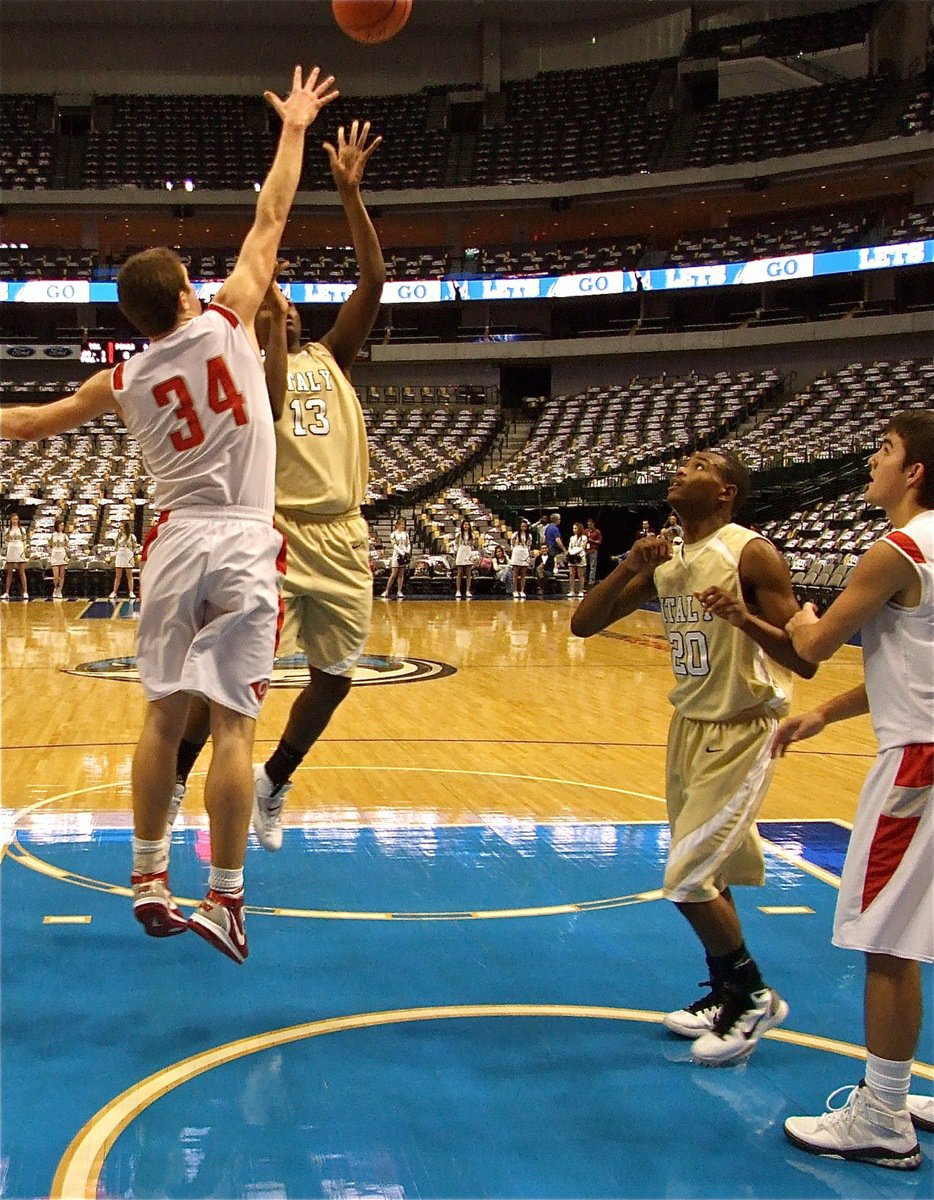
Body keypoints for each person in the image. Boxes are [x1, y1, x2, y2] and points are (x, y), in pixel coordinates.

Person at [0, 65, 339, 964]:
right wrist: (296, 126)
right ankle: (225, 897)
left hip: (175, 540)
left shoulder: (124, 377)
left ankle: (149, 875)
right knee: (233, 725)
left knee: (159, 714)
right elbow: (271, 214)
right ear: (188, 294)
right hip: (244, 538)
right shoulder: (231, 319)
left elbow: (28, 424)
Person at [171, 117, 384, 855]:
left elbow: (375, 281)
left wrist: (350, 195)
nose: (285, 304)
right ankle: (171, 782)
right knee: (227, 681)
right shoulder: (253, 376)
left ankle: (275, 779)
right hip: (278, 532)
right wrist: (264, 329)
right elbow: (272, 394)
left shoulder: (335, 354)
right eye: (275, 301)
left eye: (290, 302)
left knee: (335, 679)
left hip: (344, 531)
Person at [571, 449, 817, 1065]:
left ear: (727, 491)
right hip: (689, 726)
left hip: (743, 726)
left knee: (684, 878)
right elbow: (583, 622)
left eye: (699, 464)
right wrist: (629, 563)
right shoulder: (668, 560)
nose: (680, 468)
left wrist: (742, 618)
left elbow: (804, 658)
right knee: (710, 874)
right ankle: (726, 988)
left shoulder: (750, 552)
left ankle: (753, 993)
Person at [775, 411, 933, 1170]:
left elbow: (809, 647)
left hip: (916, 767)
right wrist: (827, 715)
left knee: (885, 938)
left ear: (916, 473)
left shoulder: (897, 549)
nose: (872, 460)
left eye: (886, 450)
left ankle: (882, 1114)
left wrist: (786, 610)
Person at [109, 520, 139, 601]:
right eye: (120, 526)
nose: (120, 528)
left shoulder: (132, 536)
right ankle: (114, 592)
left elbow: (135, 547)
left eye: (122, 526)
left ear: (126, 527)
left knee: (129, 575)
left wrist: (135, 555)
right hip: (120, 555)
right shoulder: (117, 536)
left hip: (128, 555)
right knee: (118, 576)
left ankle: (131, 592)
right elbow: (115, 547)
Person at [1, 513, 28, 600]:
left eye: (16, 519)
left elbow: (24, 541)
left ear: (18, 520)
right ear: (11, 520)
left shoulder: (22, 530)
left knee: (22, 573)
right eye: (13, 519)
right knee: (9, 573)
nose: (15, 521)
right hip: (11, 550)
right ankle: (7, 592)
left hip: (20, 550)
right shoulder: (7, 530)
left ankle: (25, 592)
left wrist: (24, 551)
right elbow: (5, 542)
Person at [383, 516, 411, 600]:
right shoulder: (393, 534)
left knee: (401, 574)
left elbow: (408, 543)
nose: (403, 526)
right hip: (396, 555)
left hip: (404, 555)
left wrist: (407, 551)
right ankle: (387, 590)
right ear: (397, 525)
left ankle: (399, 591)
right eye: (401, 525)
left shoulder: (406, 534)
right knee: (393, 574)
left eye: (404, 525)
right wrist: (401, 553)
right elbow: (394, 545)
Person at [452, 518, 479, 600]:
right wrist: (457, 551)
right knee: (459, 573)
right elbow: (455, 543)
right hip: (461, 551)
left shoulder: (472, 535)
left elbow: (474, 545)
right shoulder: (459, 534)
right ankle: (458, 590)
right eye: (465, 524)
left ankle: (468, 590)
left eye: (467, 524)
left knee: (468, 574)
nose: (466, 526)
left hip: (468, 551)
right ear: (462, 525)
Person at [510, 517, 532, 599]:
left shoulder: (529, 536)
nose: (523, 528)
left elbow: (529, 546)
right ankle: (515, 590)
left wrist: (528, 555)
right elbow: (511, 544)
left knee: (523, 574)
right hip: (517, 552)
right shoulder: (515, 534)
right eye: (522, 526)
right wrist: (514, 551)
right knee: (515, 574)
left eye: (525, 526)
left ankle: (522, 590)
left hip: (525, 552)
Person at [566, 521, 588, 599]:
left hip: (580, 557)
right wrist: (570, 552)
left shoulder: (584, 537)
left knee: (580, 575)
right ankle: (571, 590)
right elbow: (569, 546)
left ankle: (581, 591)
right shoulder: (572, 538)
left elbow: (582, 547)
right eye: (573, 528)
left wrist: (575, 552)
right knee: (571, 574)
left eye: (575, 528)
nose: (574, 530)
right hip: (572, 557)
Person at [49, 518, 69, 599]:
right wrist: (52, 552)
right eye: (60, 525)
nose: (62, 527)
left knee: (62, 575)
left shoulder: (65, 536)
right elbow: (48, 546)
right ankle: (56, 588)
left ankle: (59, 590)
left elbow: (67, 546)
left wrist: (66, 551)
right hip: (54, 556)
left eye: (63, 525)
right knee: (56, 576)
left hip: (62, 555)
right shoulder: (52, 536)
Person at [543, 511, 566, 580]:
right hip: (552, 548)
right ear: (556, 520)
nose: (560, 521)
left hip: (548, 547)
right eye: (559, 519)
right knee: (551, 564)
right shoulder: (555, 529)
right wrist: (564, 549)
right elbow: (558, 540)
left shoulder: (548, 528)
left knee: (549, 564)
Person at [585, 516, 602, 587]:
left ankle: (591, 581)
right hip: (586, 551)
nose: (589, 526)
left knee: (592, 566)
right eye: (588, 524)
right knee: (584, 566)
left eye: (590, 524)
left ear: (593, 524)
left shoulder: (597, 532)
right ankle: (584, 580)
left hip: (593, 550)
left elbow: (599, 541)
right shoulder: (585, 531)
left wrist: (593, 541)